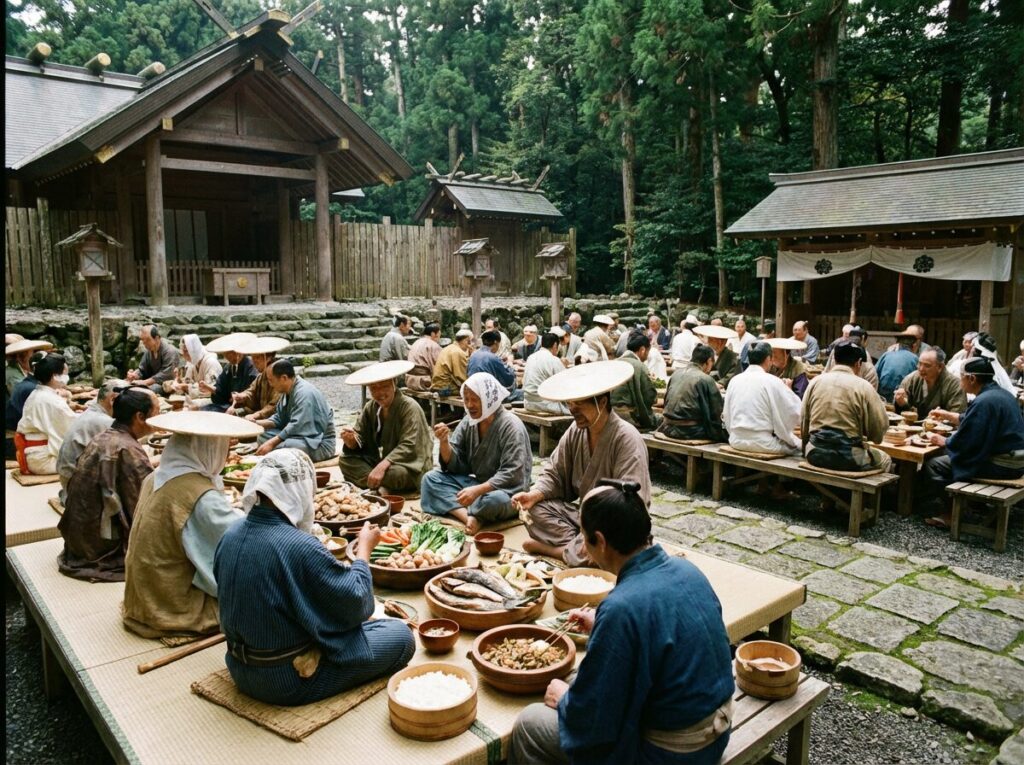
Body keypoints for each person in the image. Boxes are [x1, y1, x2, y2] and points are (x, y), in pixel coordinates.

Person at [509, 480, 734, 765]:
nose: (584, 548)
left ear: (600, 542)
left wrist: (566, 700)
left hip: (674, 754)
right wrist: (600, 627)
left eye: (584, 538)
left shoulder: (621, 607)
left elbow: (594, 720)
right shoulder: (687, 569)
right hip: (717, 728)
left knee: (531, 722)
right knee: (579, 677)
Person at [214, 450, 414, 706]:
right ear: (299, 491)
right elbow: (359, 605)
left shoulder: (229, 535)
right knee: (401, 636)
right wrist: (364, 550)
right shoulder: (298, 545)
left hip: (240, 669)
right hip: (286, 679)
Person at [122, 412, 258, 638]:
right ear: (208, 448)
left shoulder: (158, 475)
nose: (225, 455)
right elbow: (241, 541)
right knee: (264, 591)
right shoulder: (198, 495)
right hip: (170, 601)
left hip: (143, 592)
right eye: (223, 448)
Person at [512, 361, 651, 566]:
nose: (572, 409)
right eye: (570, 403)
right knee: (533, 510)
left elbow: (631, 505)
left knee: (616, 546)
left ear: (602, 403)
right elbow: (555, 473)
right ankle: (583, 548)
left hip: (616, 524)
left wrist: (593, 529)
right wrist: (535, 494)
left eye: (579, 404)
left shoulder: (627, 438)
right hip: (586, 520)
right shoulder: (576, 431)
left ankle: (559, 551)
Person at [57, 389, 159, 582]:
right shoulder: (128, 448)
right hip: (100, 545)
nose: (159, 418)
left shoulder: (103, 437)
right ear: (140, 416)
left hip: (78, 539)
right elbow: (143, 503)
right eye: (156, 412)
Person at [421, 373, 533, 534]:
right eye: (466, 399)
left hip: (507, 492)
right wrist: (444, 442)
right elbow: (456, 463)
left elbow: (512, 473)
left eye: (475, 399)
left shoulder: (511, 426)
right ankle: (469, 517)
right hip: (479, 485)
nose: (469, 405)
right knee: (430, 479)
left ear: (489, 399)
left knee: (495, 501)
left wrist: (477, 491)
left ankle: (472, 511)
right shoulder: (469, 421)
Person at [921, 357, 1024, 528]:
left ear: (972, 378)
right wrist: (947, 415)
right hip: (1017, 459)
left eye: (962, 377)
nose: (960, 380)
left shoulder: (984, 401)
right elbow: (973, 421)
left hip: (1004, 465)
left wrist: (945, 441)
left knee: (934, 464)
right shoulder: (1001, 394)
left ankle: (954, 512)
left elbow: (968, 442)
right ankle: (974, 505)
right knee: (947, 455)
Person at [339, 361, 433, 493]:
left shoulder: (409, 407)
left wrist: (382, 466)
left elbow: (409, 445)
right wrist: (351, 441)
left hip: (408, 464)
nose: (379, 393)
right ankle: (380, 485)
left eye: (384, 386)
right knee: (345, 461)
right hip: (381, 462)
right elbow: (360, 438)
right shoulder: (371, 407)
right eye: (374, 388)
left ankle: (375, 483)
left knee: (397, 474)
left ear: (394, 384)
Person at [801, 342, 891, 473]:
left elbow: (804, 422)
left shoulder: (815, 382)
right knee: (885, 459)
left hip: (814, 453)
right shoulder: (864, 387)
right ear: (859, 363)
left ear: (835, 360)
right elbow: (878, 435)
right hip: (849, 458)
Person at [723, 342, 802, 457]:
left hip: (736, 440)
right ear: (768, 359)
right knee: (799, 450)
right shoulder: (772, 381)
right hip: (763, 443)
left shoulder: (734, 380)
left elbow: (727, 415)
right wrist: (788, 390)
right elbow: (795, 411)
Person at [56, 380, 126, 501]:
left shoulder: (92, 413)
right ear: (113, 400)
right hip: (78, 486)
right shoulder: (103, 421)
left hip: (69, 479)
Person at [254, 360, 336, 463]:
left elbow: (297, 425)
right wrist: (255, 424)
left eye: (271, 380)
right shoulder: (286, 392)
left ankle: (277, 451)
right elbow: (279, 418)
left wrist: (271, 443)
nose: (270, 385)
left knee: (290, 446)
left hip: (318, 443)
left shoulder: (304, 393)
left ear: (284, 378)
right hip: (298, 436)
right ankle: (277, 450)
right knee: (262, 435)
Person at [16, 353, 76, 475]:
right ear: (54, 376)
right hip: (45, 459)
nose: (66, 377)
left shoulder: (37, 394)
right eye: (64, 374)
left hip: (34, 455)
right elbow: (71, 427)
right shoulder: (51, 400)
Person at [658, 344, 727, 443]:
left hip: (667, 428)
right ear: (709, 361)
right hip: (690, 431)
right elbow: (717, 412)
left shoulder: (676, 374)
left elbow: (666, 401)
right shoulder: (705, 379)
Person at [893, 348, 967, 421]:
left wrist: (943, 417)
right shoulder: (912, 379)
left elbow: (957, 416)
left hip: (940, 430)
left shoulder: (955, 385)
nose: (921, 369)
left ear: (940, 367)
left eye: (927, 365)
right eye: (919, 364)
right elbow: (899, 412)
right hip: (911, 427)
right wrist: (901, 403)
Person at [227, 336, 289, 420]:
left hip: (275, 421)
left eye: (257, 358)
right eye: (253, 357)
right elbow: (252, 391)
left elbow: (274, 406)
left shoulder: (279, 377)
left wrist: (256, 415)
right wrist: (243, 396)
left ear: (268, 358)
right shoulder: (261, 376)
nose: (254, 361)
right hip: (261, 416)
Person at [611, 332, 658, 431]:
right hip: (629, 418)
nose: (647, 356)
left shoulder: (614, 363)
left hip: (609, 415)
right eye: (647, 352)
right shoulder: (639, 366)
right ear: (642, 350)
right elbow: (649, 397)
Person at [202, 334, 258, 413]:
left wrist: (240, 397)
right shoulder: (228, 368)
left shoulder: (251, 369)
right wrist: (209, 388)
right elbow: (221, 389)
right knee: (205, 409)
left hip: (245, 408)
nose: (228, 357)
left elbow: (253, 395)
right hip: (228, 405)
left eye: (229, 354)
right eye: (226, 355)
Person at [524, 332, 571, 415]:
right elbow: (566, 384)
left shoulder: (530, 357)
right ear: (555, 345)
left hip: (528, 403)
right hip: (545, 404)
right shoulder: (553, 360)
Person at [164, 335, 222, 401]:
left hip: (212, 399)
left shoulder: (211, 362)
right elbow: (188, 381)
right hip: (197, 396)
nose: (183, 354)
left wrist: (186, 387)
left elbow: (210, 391)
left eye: (186, 351)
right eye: (183, 350)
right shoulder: (193, 362)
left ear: (193, 350)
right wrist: (179, 380)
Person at [126, 325, 180, 394]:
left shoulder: (170, 351)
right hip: (152, 382)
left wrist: (145, 382)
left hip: (166, 384)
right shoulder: (149, 351)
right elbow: (142, 369)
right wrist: (135, 375)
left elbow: (166, 374)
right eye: (143, 341)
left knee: (143, 391)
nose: (145, 344)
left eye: (148, 340)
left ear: (156, 338)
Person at [468, 330, 520, 401]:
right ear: (496, 342)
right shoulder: (493, 357)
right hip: (487, 395)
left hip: (473, 390)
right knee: (522, 393)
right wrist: (510, 366)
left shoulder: (473, 355)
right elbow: (508, 380)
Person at [875, 332, 920, 401]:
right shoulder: (915, 359)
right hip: (902, 398)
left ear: (898, 345)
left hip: (882, 396)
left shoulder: (886, 355)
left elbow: (875, 373)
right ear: (914, 345)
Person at [432, 329, 472, 396]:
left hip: (438, 385)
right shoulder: (458, 352)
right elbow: (462, 376)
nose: (470, 345)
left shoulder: (448, 348)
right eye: (470, 342)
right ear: (466, 341)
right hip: (445, 387)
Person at [405, 323, 442, 391]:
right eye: (439, 335)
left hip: (409, 380)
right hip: (424, 382)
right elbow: (438, 368)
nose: (439, 338)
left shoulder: (416, 342)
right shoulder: (433, 345)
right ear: (433, 334)